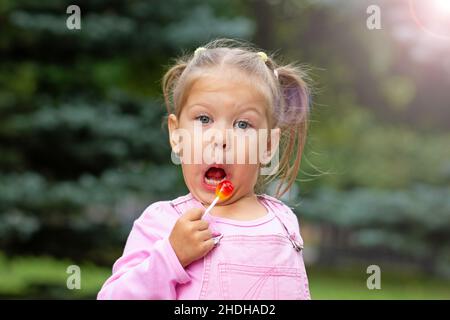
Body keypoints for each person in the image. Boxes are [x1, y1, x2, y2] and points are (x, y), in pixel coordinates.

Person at [98, 38, 312, 300]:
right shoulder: (162, 224)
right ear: (177, 135)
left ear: (268, 145)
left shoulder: (284, 222)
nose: (220, 138)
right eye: (204, 119)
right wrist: (170, 257)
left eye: (243, 124)